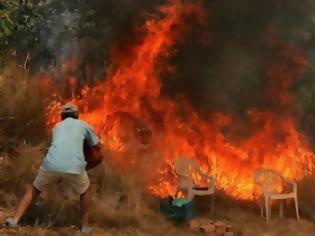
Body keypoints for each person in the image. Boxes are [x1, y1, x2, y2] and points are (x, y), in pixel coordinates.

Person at [5, 103, 103, 233]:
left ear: (62, 116)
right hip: (74, 166)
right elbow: (97, 146)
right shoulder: (83, 125)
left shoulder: (57, 127)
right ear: (77, 115)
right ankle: (85, 226)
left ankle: (15, 219)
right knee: (85, 192)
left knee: (34, 189)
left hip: (51, 163)